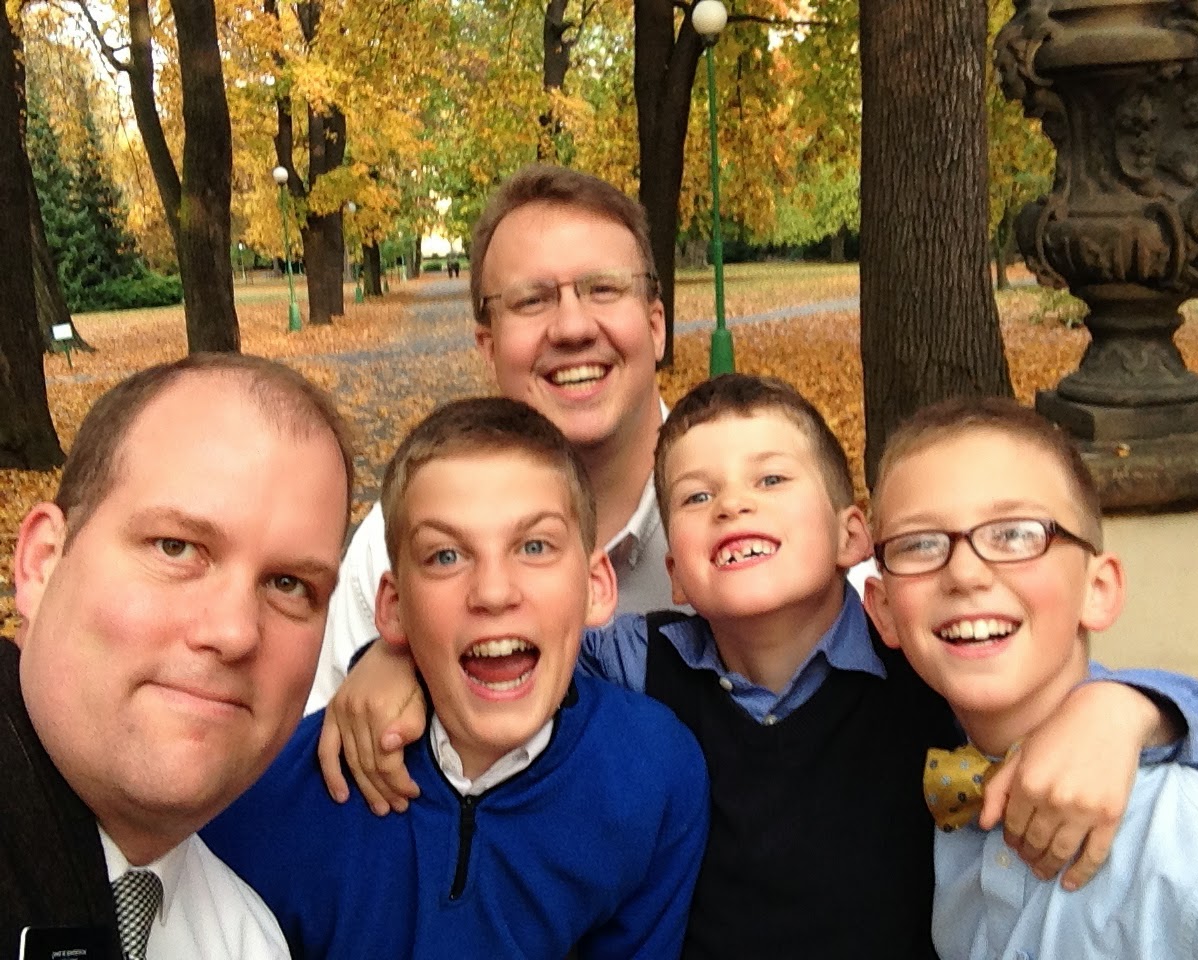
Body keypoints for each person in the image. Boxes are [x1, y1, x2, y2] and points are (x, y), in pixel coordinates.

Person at [320, 374, 1198, 959]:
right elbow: (506, 647)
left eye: (770, 480)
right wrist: (390, 659)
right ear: (674, 569)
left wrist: (1131, 709)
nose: (732, 506)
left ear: (852, 537)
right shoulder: (634, 664)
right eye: (696, 496)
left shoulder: (920, 658)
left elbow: (1091, 706)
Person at [201, 397, 710, 959]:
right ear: (393, 607)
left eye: (535, 546)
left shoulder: (656, 774)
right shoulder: (265, 799)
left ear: (596, 587)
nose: (493, 592)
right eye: (445, 556)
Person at [862, 396, 1198, 959]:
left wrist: (1130, 710)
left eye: (1015, 534)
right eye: (919, 543)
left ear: (1097, 589)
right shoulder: (910, 761)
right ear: (884, 610)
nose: (964, 572)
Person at [1, 354, 353, 959]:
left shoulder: (246, 940)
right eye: (176, 547)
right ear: (41, 563)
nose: (235, 632)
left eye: (290, 585)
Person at [306, 164, 688, 721]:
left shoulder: (757, 515)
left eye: (603, 289)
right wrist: (389, 655)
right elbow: (321, 738)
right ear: (488, 347)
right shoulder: (402, 539)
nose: (573, 328)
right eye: (531, 301)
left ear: (656, 326)